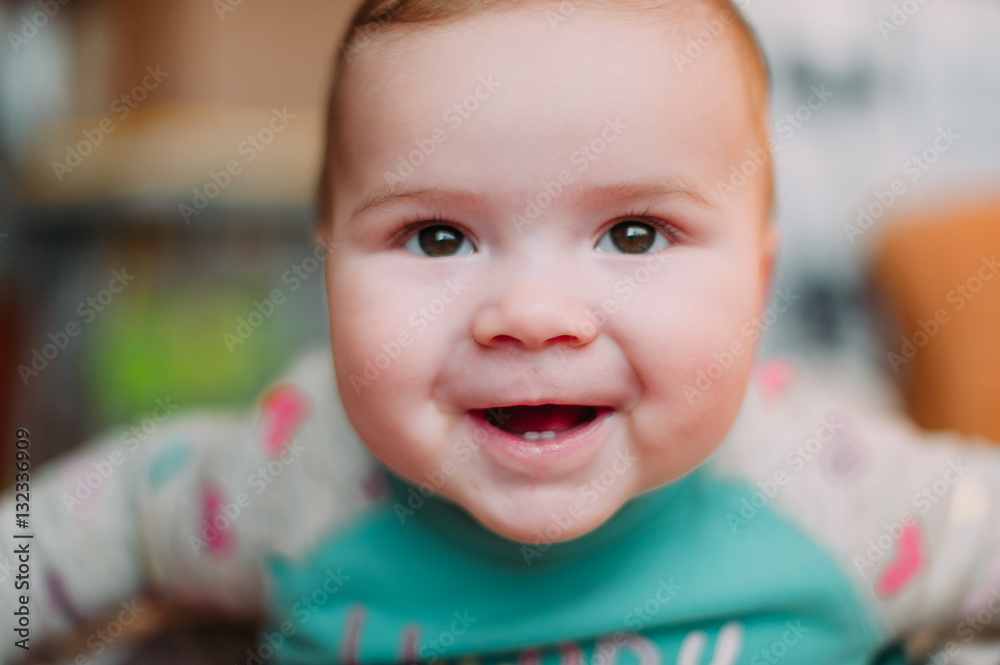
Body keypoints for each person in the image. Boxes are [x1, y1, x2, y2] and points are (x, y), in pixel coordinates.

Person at [4, 0, 1000, 663]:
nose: (531, 315)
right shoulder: (298, 469)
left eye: (635, 232)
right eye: (436, 236)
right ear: (328, 265)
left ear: (756, 280)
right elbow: (111, 518)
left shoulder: (828, 485)